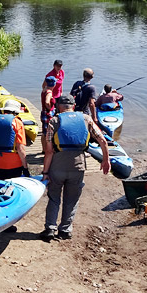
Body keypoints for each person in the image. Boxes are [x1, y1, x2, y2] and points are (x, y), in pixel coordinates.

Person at [40, 94, 109, 241]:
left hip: (57, 166)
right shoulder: (86, 118)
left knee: (54, 198)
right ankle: (65, 230)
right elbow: (102, 140)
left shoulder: (55, 120)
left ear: (59, 106)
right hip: (78, 166)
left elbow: (49, 151)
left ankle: (50, 229)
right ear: (74, 106)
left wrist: (45, 172)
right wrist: (106, 160)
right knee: (71, 199)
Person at [40, 75, 57, 152]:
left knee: (44, 132)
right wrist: (49, 108)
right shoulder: (49, 92)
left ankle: (43, 149)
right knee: (48, 132)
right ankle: (47, 150)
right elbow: (47, 102)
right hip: (47, 113)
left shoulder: (44, 90)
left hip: (43, 112)